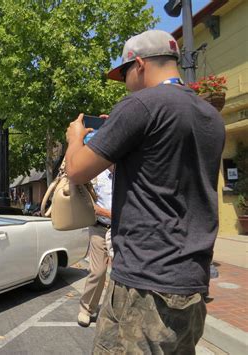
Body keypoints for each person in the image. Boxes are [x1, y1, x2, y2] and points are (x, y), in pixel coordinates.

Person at [65, 30, 225, 353]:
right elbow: (161, 178)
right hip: (191, 285)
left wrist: (75, 137)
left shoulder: (140, 104)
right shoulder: (211, 117)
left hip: (144, 284)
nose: (124, 82)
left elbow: (76, 169)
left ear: (139, 65)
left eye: (124, 74)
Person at [78, 165, 113, 328]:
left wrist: (104, 212)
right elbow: (85, 199)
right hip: (99, 227)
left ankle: (114, 310)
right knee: (97, 271)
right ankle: (86, 309)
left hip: (122, 229)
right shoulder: (96, 175)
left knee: (121, 274)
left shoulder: (129, 174)